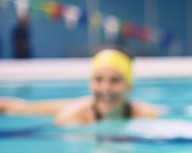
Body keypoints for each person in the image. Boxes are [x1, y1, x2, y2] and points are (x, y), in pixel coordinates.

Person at [0, 47, 158, 126]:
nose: (105, 88)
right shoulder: (73, 116)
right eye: (98, 79)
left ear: (129, 86)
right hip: (78, 108)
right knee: (20, 109)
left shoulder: (146, 114)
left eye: (115, 80)